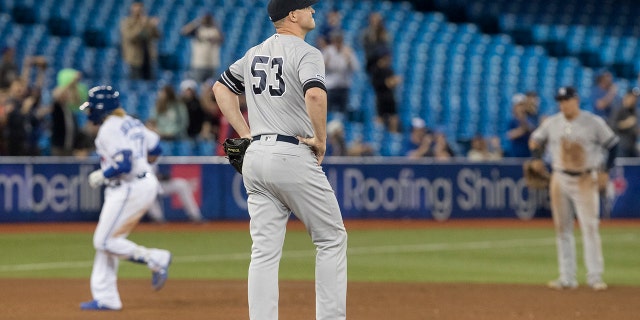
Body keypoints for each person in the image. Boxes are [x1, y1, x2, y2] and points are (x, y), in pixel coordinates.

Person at [212, 0, 348, 319]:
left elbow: (220, 88)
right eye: (308, 7)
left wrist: (246, 133)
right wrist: (321, 140)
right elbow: (315, 94)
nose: (313, 11)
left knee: (263, 253)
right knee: (331, 238)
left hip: (256, 157)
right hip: (291, 152)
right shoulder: (307, 52)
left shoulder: (253, 52)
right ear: (292, 15)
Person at [79, 85, 172, 310]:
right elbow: (156, 147)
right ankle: (106, 297)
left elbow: (124, 162)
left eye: (91, 107)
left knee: (104, 241)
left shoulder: (108, 129)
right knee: (107, 240)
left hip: (130, 186)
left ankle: (155, 258)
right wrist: (145, 164)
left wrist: (103, 174)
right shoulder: (131, 121)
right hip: (136, 183)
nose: (89, 111)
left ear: (101, 108)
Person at [529, 86, 619, 291]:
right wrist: (536, 159)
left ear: (576, 100)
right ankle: (566, 277)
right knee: (562, 229)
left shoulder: (593, 122)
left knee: (590, 227)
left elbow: (613, 144)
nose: (563, 104)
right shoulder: (553, 122)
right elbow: (535, 140)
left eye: (566, 100)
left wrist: (606, 170)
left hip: (586, 178)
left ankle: (595, 276)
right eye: (560, 101)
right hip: (559, 178)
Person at [322, 31, 359, 121]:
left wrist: (349, 58)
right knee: (327, 111)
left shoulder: (348, 51)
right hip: (331, 86)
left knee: (343, 113)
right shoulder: (328, 51)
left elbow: (356, 68)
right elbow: (320, 68)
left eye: (339, 40)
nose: (338, 43)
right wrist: (326, 62)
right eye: (336, 40)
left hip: (344, 86)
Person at [120, 2, 161, 80]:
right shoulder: (127, 22)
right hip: (135, 59)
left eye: (140, 10)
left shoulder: (147, 22)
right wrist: (141, 25)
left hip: (148, 56)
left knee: (149, 80)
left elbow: (157, 36)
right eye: (137, 10)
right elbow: (130, 37)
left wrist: (153, 26)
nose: (139, 13)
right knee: (136, 80)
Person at [181, 12, 224, 83]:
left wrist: (216, 24)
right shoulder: (198, 30)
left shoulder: (215, 31)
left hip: (212, 64)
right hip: (199, 63)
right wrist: (196, 22)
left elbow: (221, 39)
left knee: (213, 88)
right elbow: (184, 31)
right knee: (197, 85)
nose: (207, 21)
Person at [370, 48, 401, 133]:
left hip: (390, 97)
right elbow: (385, 83)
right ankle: (377, 135)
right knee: (380, 118)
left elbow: (392, 83)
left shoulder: (389, 70)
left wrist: (392, 82)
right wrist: (391, 82)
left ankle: (393, 136)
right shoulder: (375, 70)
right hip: (381, 98)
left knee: (393, 117)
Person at [611, 87, 639, 157]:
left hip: (632, 145)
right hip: (621, 146)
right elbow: (612, 126)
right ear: (627, 96)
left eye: (635, 98)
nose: (634, 100)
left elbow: (635, 128)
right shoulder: (618, 109)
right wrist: (625, 124)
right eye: (632, 97)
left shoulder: (634, 111)